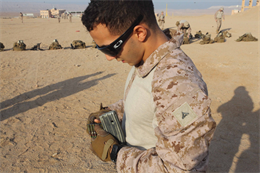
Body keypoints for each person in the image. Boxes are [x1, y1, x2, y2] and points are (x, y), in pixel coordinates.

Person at [81, 0, 216, 172]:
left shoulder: (177, 83)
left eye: (111, 48)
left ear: (140, 33)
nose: (108, 57)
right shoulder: (146, 60)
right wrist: (112, 112)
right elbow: (149, 102)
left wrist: (115, 153)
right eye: (101, 49)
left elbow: (178, 169)